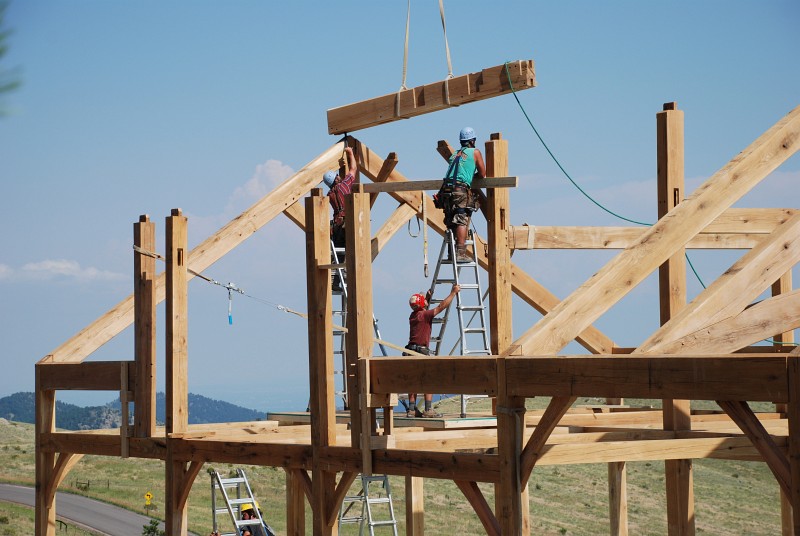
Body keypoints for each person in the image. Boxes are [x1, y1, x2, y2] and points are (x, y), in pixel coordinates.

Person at [404, 284, 460, 418]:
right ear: (422, 304)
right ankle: (428, 409)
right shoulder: (425, 315)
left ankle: (412, 409)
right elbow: (440, 307)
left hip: (410, 351)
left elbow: (423, 311)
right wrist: (453, 293)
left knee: (413, 380)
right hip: (421, 351)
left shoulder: (413, 316)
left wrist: (426, 298)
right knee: (428, 379)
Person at [438, 127, 486, 262]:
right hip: (459, 189)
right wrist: (472, 177)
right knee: (461, 219)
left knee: (451, 221)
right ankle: (460, 253)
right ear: (472, 140)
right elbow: (482, 174)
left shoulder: (455, 154)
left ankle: (451, 253)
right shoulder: (475, 152)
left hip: (446, 190)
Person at [323, 144, 358, 290]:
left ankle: (336, 282)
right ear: (336, 178)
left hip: (337, 227)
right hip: (347, 224)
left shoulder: (329, 195)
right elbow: (353, 169)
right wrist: (350, 153)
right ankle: (350, 279)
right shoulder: (344, 186)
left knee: (339, 255)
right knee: (352, 250)